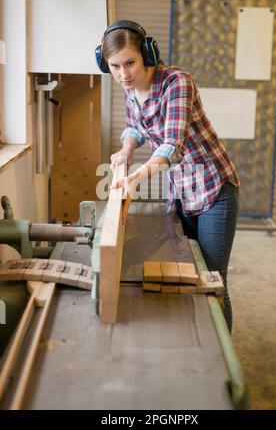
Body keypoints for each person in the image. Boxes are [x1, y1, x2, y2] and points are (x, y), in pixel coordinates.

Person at [95, 20, 239, 332]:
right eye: (115, 66)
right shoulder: (131, 91)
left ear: (147, 53)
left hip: (214, 188)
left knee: (213, 279)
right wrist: (127, 149)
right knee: (186, 266)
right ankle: (198, 336)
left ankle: (223, 363)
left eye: (130, 63)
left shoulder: (177, 83)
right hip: (182, 189)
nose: (123, 75)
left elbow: (173, 145)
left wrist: (136, 177)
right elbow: (136, 126)